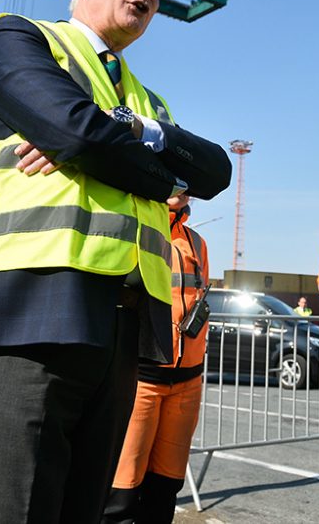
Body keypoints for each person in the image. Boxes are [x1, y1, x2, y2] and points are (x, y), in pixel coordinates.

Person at [0, 0, 232, 523]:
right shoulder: (19, 38)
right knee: (11, 512)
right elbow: (75, 130)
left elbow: (214, 170)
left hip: (125, 328)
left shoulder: (151, 104)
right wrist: (155, 167)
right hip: (31, 311)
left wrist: (121, 130)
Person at [101, 193, 210, 523]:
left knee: (165, 489)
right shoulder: (132, 226)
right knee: (120, 492)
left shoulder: (198, 243)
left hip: (187, 381)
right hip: (141, 379)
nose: (181, 187)